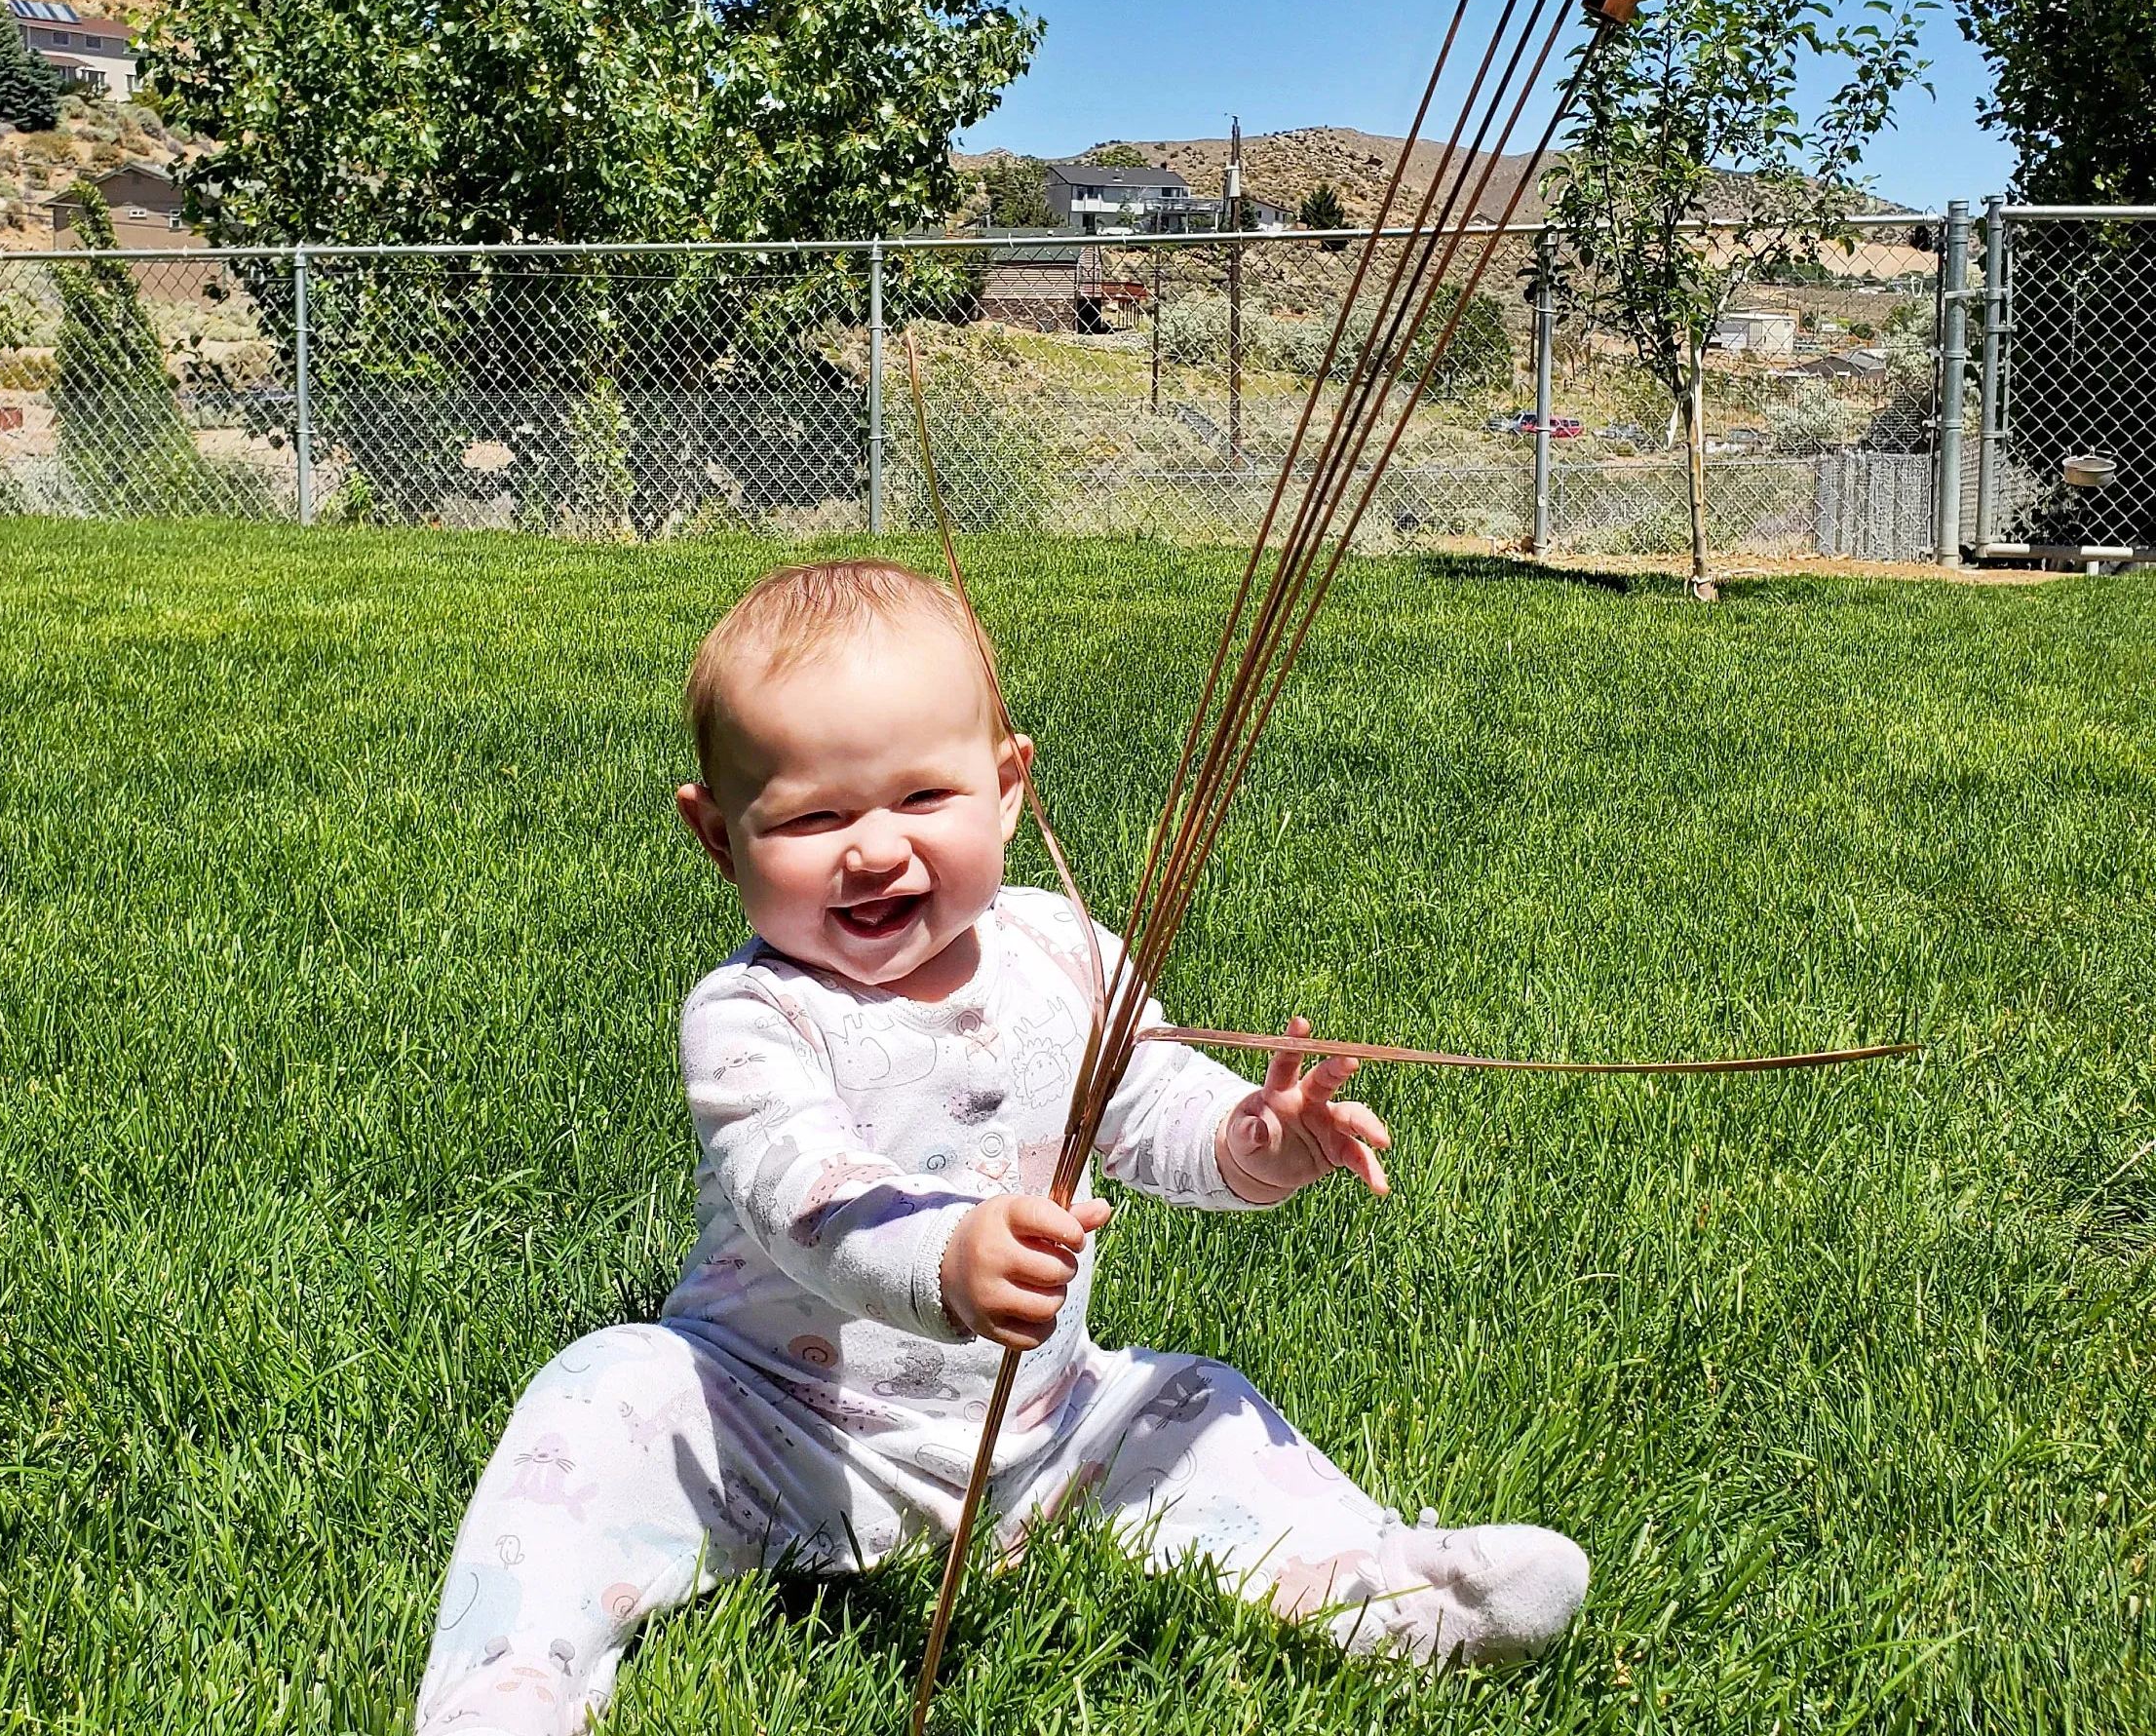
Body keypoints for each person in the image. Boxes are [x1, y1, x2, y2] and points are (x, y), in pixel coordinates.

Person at [418, 560, 1588, 1733]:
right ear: (720, 838)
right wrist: (948, 1260)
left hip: (1044, 1429)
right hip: (780, 1425)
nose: (873, 851)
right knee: (601, 1396)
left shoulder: (1066, 954)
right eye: (816, 817)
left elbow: (1150, 1108)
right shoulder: (749, 1015)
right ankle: (510, 1688)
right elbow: (802, 1192)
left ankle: (1384, 1593)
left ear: (1009, 786)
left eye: (924, 799)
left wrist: (1255, 1141)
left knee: (1193, 1404)